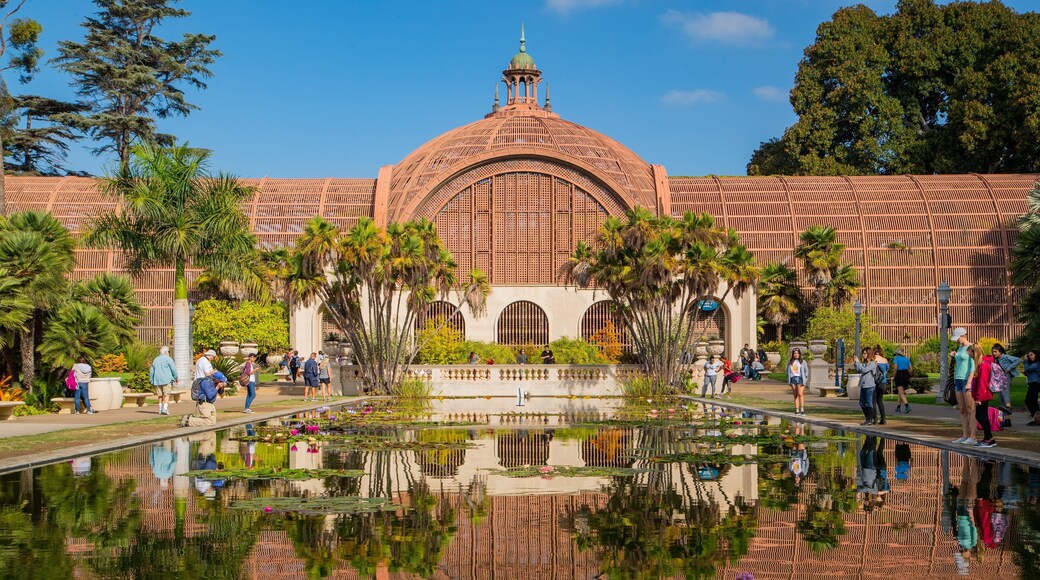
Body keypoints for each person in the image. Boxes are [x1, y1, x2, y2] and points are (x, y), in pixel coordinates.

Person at [950, 328, 979, 445]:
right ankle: (965, 435)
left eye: (958, 338)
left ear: (963, 336)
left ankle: (973, 436)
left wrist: (969, 381)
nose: (957, 341)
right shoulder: (959, 348)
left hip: (966, 379)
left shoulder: (971, 347)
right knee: (962, 409)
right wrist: (954, 355)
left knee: (970, 408)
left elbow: (973, 366)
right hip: (958, 379)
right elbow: (961, 362)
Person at [972, 351, 997, 448]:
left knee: (983, 416)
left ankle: (989, 439)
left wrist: (979, 397)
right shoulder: (980, 364)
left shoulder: (983, 365)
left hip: (983, 394)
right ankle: (988, 437)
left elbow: (983, 382)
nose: (970, 356)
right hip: (982, 394)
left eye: (970, 354)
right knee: (979, 415)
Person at [991, 343, 1021, 417]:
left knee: (1005, 390)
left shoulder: (1006, 357)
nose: (994, 353)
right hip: (1000, 377)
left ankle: (1008, 406)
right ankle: (1006, 418)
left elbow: (1018, 360)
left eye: (995, 352)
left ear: (1000, 352)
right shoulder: (996, 360)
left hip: (1006, 375)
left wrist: (1009, 368)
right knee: (1001, 396)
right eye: (993, 352)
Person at [854, 347, 879, 425]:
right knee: (861, 403)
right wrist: (855, 363)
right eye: (863, 353)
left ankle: (869, 419)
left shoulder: (872, 363)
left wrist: (858, 362)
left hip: (869, 385)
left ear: (869, 354)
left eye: (864, 353)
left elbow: (864, 370)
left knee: (869, 402)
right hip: (863, 385)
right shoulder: (865, 363)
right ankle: (869, 418)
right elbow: (859, 370)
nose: (863, 355)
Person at [149, 346, 178, 416]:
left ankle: (160, 409)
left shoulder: (156, 359)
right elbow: (173, 369)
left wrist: (151, 379)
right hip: (166, 379)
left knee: (160, 395)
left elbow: (152, 371)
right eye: (168, 351)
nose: (169, 353)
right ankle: (165, 409)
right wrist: (176, 377)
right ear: (165, 352)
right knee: (166, 394)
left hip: (157, 380)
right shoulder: (168, 359)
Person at [787, 348, 809, 415]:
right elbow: (787, 370)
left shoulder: (803, 362)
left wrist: (805, 377)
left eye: (797, 353)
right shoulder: (790, 362)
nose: (796, 354)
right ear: (793, 354)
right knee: (795, 395)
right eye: (795, 353)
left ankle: (802, 409)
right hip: (793, 378)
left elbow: (806, 370)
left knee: (800, 393)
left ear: (799, 354)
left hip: (800, 379)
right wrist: (788, 377)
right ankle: (797, 410)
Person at [892, 349, 913, 414]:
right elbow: (911, 369)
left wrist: (894, 376)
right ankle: (898, 407)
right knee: (900, 392)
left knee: (901, 392)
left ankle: (907, 406)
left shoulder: (896, 358)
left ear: (897, 354)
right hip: (906, 374)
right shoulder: (907, 359)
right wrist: (908, 375)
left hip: (899, 374)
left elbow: (895, 368)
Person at [873, 346, 890, 425]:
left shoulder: (873, 360)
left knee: (873, 401)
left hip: (874, 382)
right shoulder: (885, 360)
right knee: (880, 401)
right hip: (883, 382)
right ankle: (883, 418)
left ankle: (875, 419)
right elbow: (886, 370)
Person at [1025, 351, 1040, 426]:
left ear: (1036, 355)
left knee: (1029, 401)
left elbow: (1027, 369)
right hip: (1033, 383)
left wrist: (1025, 361)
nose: (1030, 356)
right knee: (1032, 402)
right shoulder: (1034, 364)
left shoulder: (1036, 364)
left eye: (1032, 354)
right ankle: (1036, 419)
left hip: (1035, 383)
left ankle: (1036, 419)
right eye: (1029, 355)